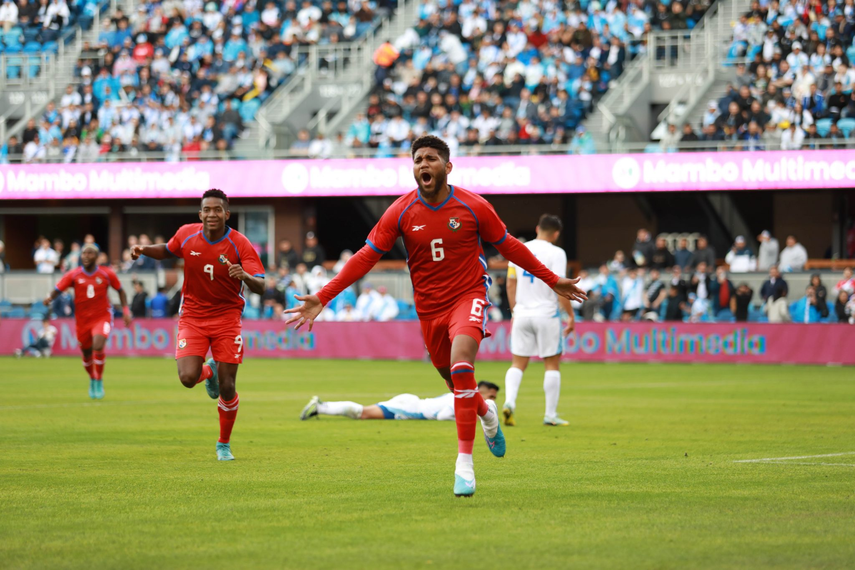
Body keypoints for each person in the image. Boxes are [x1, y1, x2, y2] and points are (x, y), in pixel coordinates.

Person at [284, 135, 587, 497]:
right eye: (417, 160)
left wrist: (553, 280)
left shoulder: (474, 206)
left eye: (430, 159)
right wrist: (323, 296)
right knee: (454, 382)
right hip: (428, 309)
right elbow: (366, 256)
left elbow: (509, 246)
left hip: (469, 296)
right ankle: (487, 413)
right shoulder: (400, 210)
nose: (423, 165)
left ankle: (464, 465)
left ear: (448, 166)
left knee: (462, 367)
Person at [130, 189, 265, 461]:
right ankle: (208, 372)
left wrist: (246, 277)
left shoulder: (240, 244)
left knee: (228, 387)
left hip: (227, 318)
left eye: (218, 210)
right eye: (207, 210)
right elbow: (168, 250)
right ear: (200, 213)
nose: (212, 214)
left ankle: (223, 444)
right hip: (192, 316)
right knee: (187, 378)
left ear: (227, 214)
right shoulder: (186, 234)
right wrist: (143, 250)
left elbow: (261, 285)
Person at [503, 214, 575, 428]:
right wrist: (570, 315)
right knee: (552, 364)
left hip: (522, 314)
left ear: (537, 229)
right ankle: (550, 415)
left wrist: (516, 311)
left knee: (518, 363)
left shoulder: (517, 249)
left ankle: (509, 402)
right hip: (547, 314)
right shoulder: (557, 253)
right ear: (556, 234)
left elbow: (510, 284)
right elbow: (560, 286)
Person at [43, 243, 131, 399]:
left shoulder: (106, 273)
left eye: (90, 253)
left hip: (102, 317)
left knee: (98, 345)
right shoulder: (74, 275)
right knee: (86, 353)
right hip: (82, 321)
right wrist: (49, 298)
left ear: (97, 257)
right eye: (84, 253)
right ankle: (92, 378)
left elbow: (121, 291)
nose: (86, 256)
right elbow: (58, 289)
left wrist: (125, 310)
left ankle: (99, 379)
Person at [300, 381, 500, 421]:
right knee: (363, 413)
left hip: (411, 404)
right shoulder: (460, 399)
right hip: (411, 408)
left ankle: (321, 407)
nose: (490, 401)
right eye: (490, 397)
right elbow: (443, 416)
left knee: (364, 413)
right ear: (482, 391)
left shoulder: (460, 397)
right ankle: (320, 406)